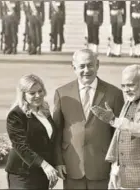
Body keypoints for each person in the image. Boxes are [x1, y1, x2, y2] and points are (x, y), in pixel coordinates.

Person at [53, 49, 124, 189]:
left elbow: (120, 133)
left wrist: (117, 164)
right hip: (71, 165)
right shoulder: (62, 93)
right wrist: (58, 161)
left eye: (90, 65)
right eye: (82, 66)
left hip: (102, 166)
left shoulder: (114, 94)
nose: (86, 70)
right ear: (73, 67)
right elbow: (57, 132)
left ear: (98, 65)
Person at [5, 74, 58, 189]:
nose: (38, 96)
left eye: (40, 91)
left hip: (42, 173)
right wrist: (45, 165)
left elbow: (49, 141)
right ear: (23, 95)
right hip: (22, 174)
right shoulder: (16, 114)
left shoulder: (44, 110)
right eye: (32, 93)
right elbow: (21, 146)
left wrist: (52, 167)